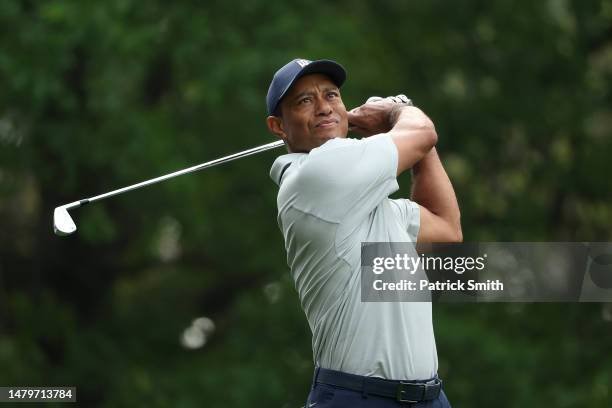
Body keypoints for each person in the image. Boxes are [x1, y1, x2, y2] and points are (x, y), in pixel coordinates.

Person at [265, 58, 461, 407]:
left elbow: (445, 226)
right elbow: (423, 133)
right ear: (278, 126)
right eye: (305, 101)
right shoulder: (315, 176)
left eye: (332, 96)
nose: (324, 107)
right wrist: (397, 111)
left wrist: (404, 135)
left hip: (429, 397)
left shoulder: (369, 204)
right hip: (358, 397)